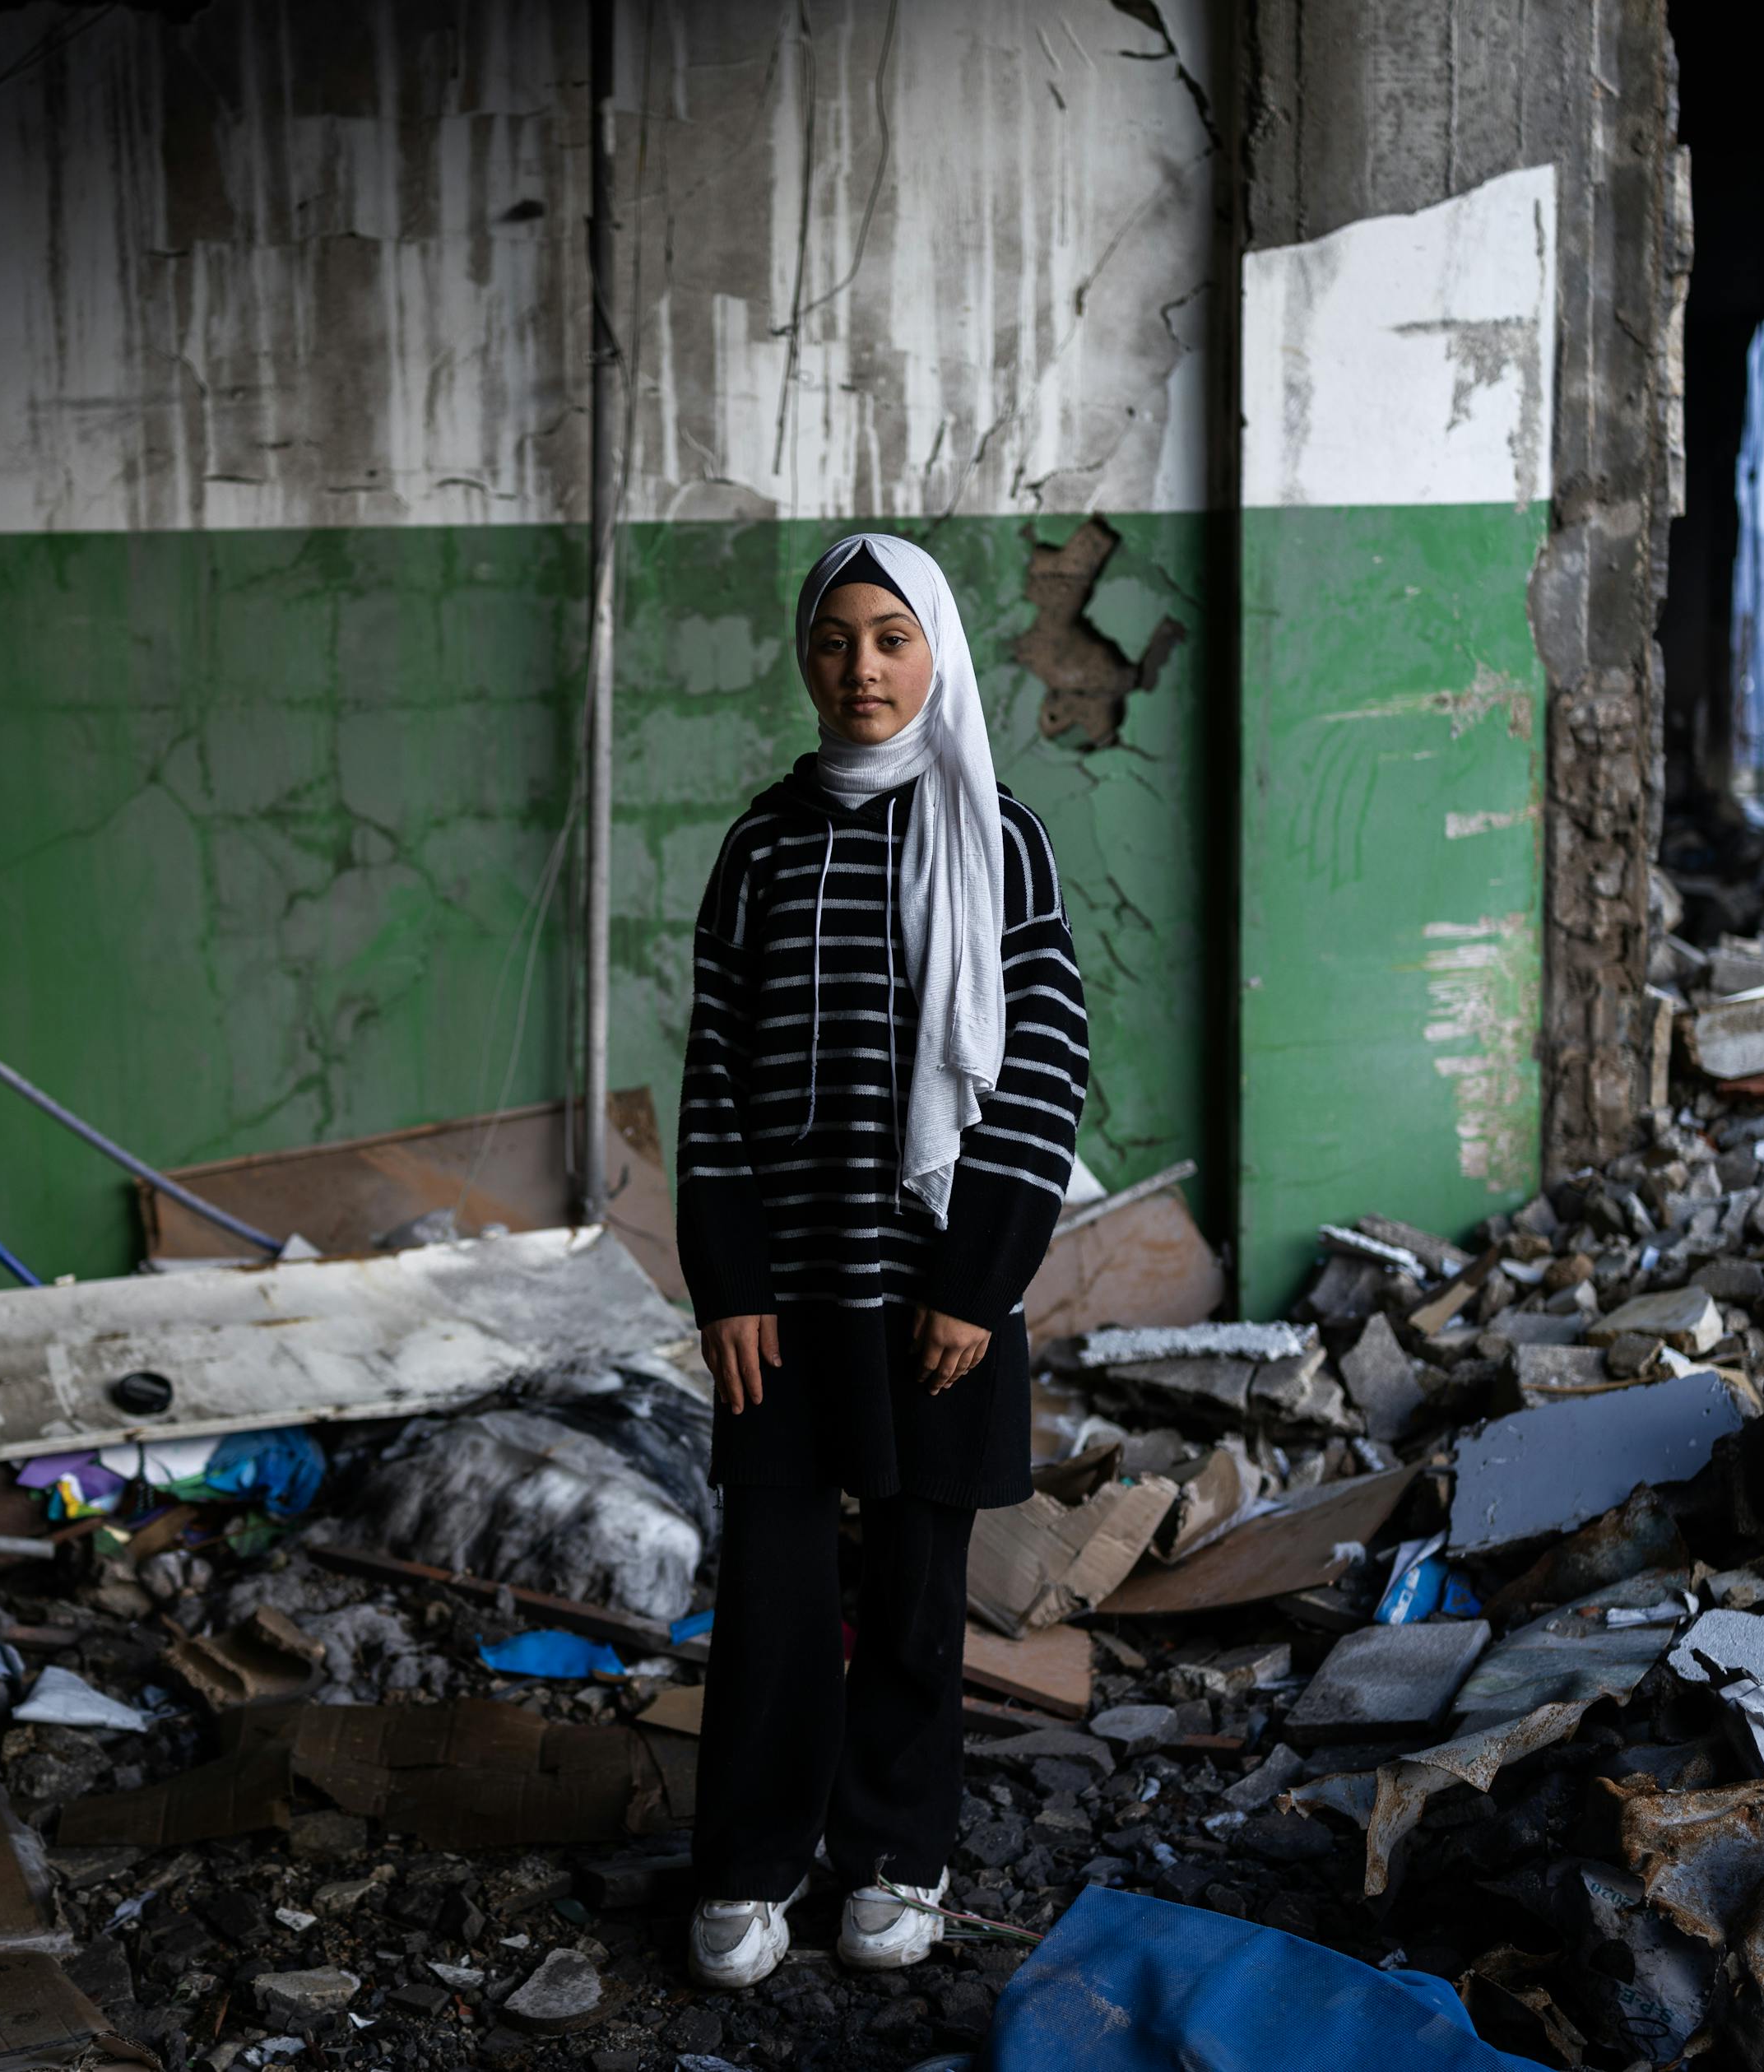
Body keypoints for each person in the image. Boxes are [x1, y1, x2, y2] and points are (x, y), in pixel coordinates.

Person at [676, 532, 1088, 1989]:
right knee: (777, 1591)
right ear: (807, 656)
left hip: (939, 1302)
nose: (863, 668)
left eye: (893, 638)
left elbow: (1044, 1067)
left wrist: (980, 1279)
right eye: (838, 639)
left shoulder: (998, 836)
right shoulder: (762, 845)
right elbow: (714, 1074)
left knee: (916, 1592)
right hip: (786, 1300)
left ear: (939, 655)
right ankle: (749, 1861)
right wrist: (725, 1276)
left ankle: (896, 1852)